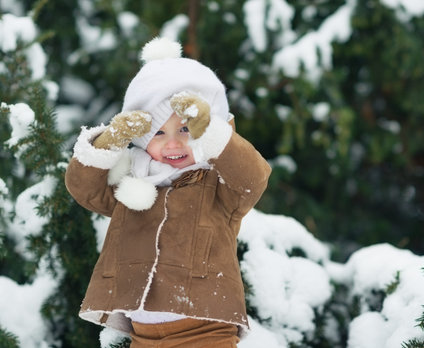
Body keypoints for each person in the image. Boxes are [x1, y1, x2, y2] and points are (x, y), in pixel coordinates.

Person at [65, 37, 271, 348]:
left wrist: (215, 133)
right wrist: (109, 142)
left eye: (185, 129)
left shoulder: (218, 185)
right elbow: (84, 189)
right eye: (158, 132)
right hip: (143, 336)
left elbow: (252, 178)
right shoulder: (133, 183)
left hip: (206, 331)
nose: (173, 144)